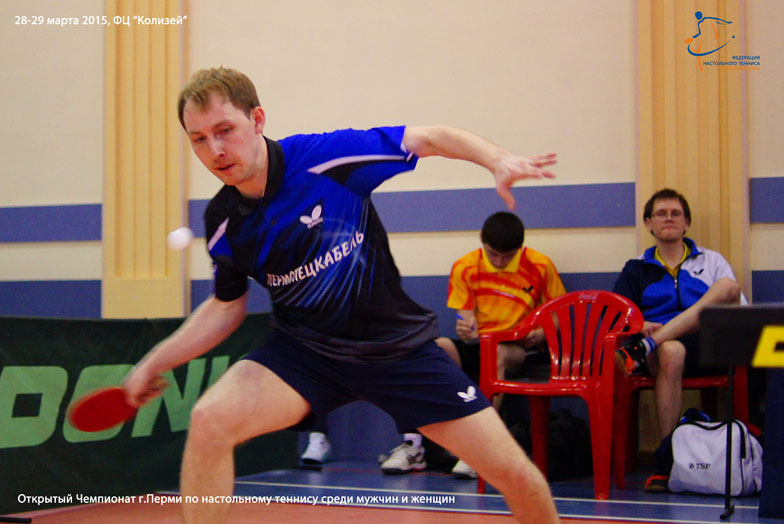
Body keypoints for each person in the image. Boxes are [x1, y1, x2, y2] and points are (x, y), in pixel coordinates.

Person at [122, 66, 561, 524]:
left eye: (224, 130)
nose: (214, 150)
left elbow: (429, 138)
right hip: (305, 355)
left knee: (516, 474)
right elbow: (226, 307)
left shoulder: (324, 158)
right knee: (210, 420)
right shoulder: (225, 222)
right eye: (198, 139)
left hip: (397, 351)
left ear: (257, 120)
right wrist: (154, 362)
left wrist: (497, 159)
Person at [380, 212, 566, 479]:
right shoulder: (465, 267)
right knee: (430, 349)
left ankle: (480, 448)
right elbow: (466, 321)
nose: (499, 262)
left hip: (518, 349)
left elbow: (559, 314)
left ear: (520, 248)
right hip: (481, 344)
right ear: (482, 241)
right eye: (493, 254)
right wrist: (465, 329)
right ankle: (414, 444)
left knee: (497, 354)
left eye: (507, 256)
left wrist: (540, 333)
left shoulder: (540, 265)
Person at [612, 188, 745, 492]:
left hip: (708, 346)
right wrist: (640, 324)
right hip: (661, 355)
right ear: (649, 223)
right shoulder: (636, 267)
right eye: (661, 214)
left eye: (676, 213)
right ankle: (667, 461)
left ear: (686, 223)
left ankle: (649, 344)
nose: (669, 218)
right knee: (671, 349)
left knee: (727, 285)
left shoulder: (711, 260)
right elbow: (617, 314)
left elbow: (737, 305)